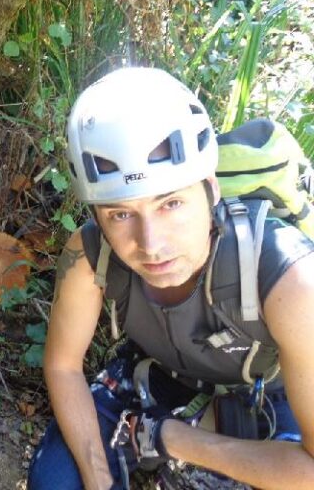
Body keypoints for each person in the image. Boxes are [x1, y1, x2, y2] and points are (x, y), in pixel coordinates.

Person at [27, 67, 314, 489]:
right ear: (96, 218)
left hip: (268, 391)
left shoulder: (288, 276)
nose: (151, 243)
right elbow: (64, 366)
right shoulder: (90, 254)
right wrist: (99, 479)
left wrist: (172, 438)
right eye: (121, 214)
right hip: (157, 377)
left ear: (210, 190)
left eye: (172, 203)